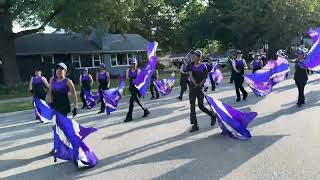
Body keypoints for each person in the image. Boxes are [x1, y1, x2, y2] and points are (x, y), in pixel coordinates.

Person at [47, 62, 78, 156]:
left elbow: (74, 95)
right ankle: (59, 145)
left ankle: (64, 145)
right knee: (56, 126)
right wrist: (50, 102)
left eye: (61, 69)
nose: (59, 71)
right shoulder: (52, 80)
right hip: (55, 106)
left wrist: (75, 107)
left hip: (64, 107)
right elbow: (50, 92)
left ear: (65, 71)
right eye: (57, 69)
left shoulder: (68, 81)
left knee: (60, 126)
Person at [188, 50, 216, 133]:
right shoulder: (190, 65)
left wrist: (200, 84)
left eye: (194, 55)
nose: (192, 56)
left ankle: (212, 115)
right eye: (192, 55)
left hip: (200, 88)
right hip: (192, 88)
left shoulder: (203, 66)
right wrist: (195, 84)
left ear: (199, 57)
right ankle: (195, 125)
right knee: (192, 106)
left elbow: (205, 77)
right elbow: (190, 75)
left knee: (201, 106)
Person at [125, 58, 149, 122]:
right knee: (137, 101)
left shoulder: (138, 70)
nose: (132, 65)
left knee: (131, 102)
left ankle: (129, 117)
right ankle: (145, 110)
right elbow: (127, 77)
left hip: (136, 87)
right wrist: (132, 78)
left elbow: (139, 79)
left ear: (136, 64)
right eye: (131, 64)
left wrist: (134, 79)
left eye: (134, 64)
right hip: (131, 87)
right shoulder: (128, 70)